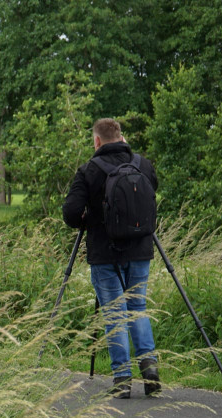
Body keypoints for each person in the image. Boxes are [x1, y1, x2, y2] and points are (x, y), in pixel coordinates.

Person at [62, 118, 161, 399]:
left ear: (96, 141)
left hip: (105, 254)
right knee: (137, 306)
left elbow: (70, 212)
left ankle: (122, 378)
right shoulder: (143, 165)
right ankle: (150, 366)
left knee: (115, 313)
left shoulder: (89, 170)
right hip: (141, 249)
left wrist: (90, 218)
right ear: (121, 137)